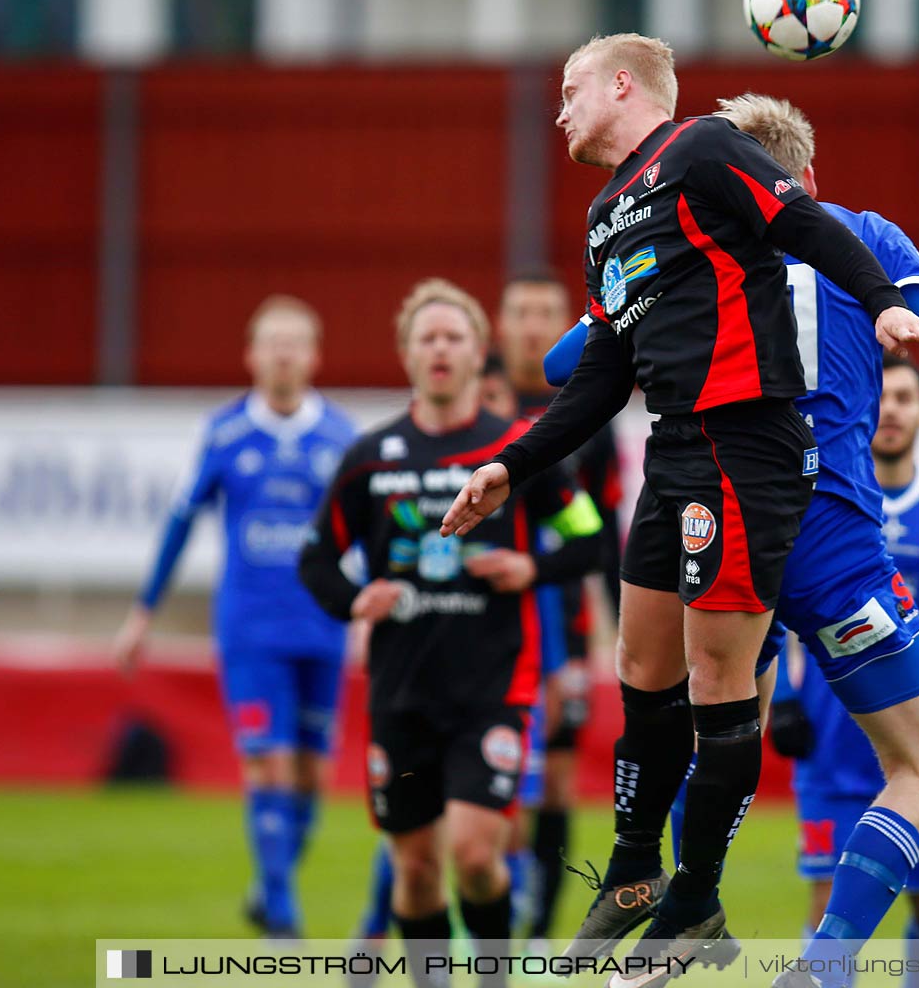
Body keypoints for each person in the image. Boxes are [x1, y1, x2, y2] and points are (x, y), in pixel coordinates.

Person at [543, 95, 919, 988]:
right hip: (830, 531)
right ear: (806, 179)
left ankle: (669, 929)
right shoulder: (864, 234)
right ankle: (825, 967)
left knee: (713, 726)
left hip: (715, 515)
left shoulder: (675, 232)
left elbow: (569, 368)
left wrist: (641, 314)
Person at [440, 33, 919, 979]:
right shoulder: (604, 217)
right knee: (640, 662)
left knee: (721, 685)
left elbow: (806, 225)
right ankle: (636, 870)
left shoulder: (707, 151)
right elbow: (599, 378)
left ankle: (693, 898)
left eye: (571, 89)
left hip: (745, 449)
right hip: (671, 450)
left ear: (624, 84)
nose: (559, 110)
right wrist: (510, 465)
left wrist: (880, 301)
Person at [299, 279, 604, 988]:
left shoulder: (517, 452)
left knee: (473, 854)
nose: (439, 349)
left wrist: (531, 565)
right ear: (406, 355)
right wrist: (355, 599)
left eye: (453, 337)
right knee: (413, 868)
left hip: (492, 689)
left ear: (478, 353)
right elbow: (315, 557)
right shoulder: (371, 459)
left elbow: (589, 540)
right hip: (400, 695)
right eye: (426, 338)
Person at [113, 295, 357, 940]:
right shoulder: (224, 434)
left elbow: (365, 531)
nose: (282, 353)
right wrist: (143, 614)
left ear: (314, 356)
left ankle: (267, 885)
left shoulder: (340, 436)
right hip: (250, 628)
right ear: (251, 354)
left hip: (321, 628)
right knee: (266, 763)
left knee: (313, 773)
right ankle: (283, 915)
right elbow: (178, 523)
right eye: (271, 342)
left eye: (294, 342)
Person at [770, 353, 919, 988]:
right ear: (866, 408)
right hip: (831, 738)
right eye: (885, 397)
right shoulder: (821, 503)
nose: (894, 409)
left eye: (907, 397)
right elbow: (772, 597)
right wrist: (784, 696)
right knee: (828, 911)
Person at [496, 270, 626, 951]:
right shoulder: (475, 409)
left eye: (548, 313)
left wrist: (621, 623)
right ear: (501, 324)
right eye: (522, 312)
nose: (534, 326)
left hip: (565, 624)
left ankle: (540, 936)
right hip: (483, 621)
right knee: (487, 776)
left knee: (554, 777)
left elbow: (604, 532)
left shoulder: (591, 415)